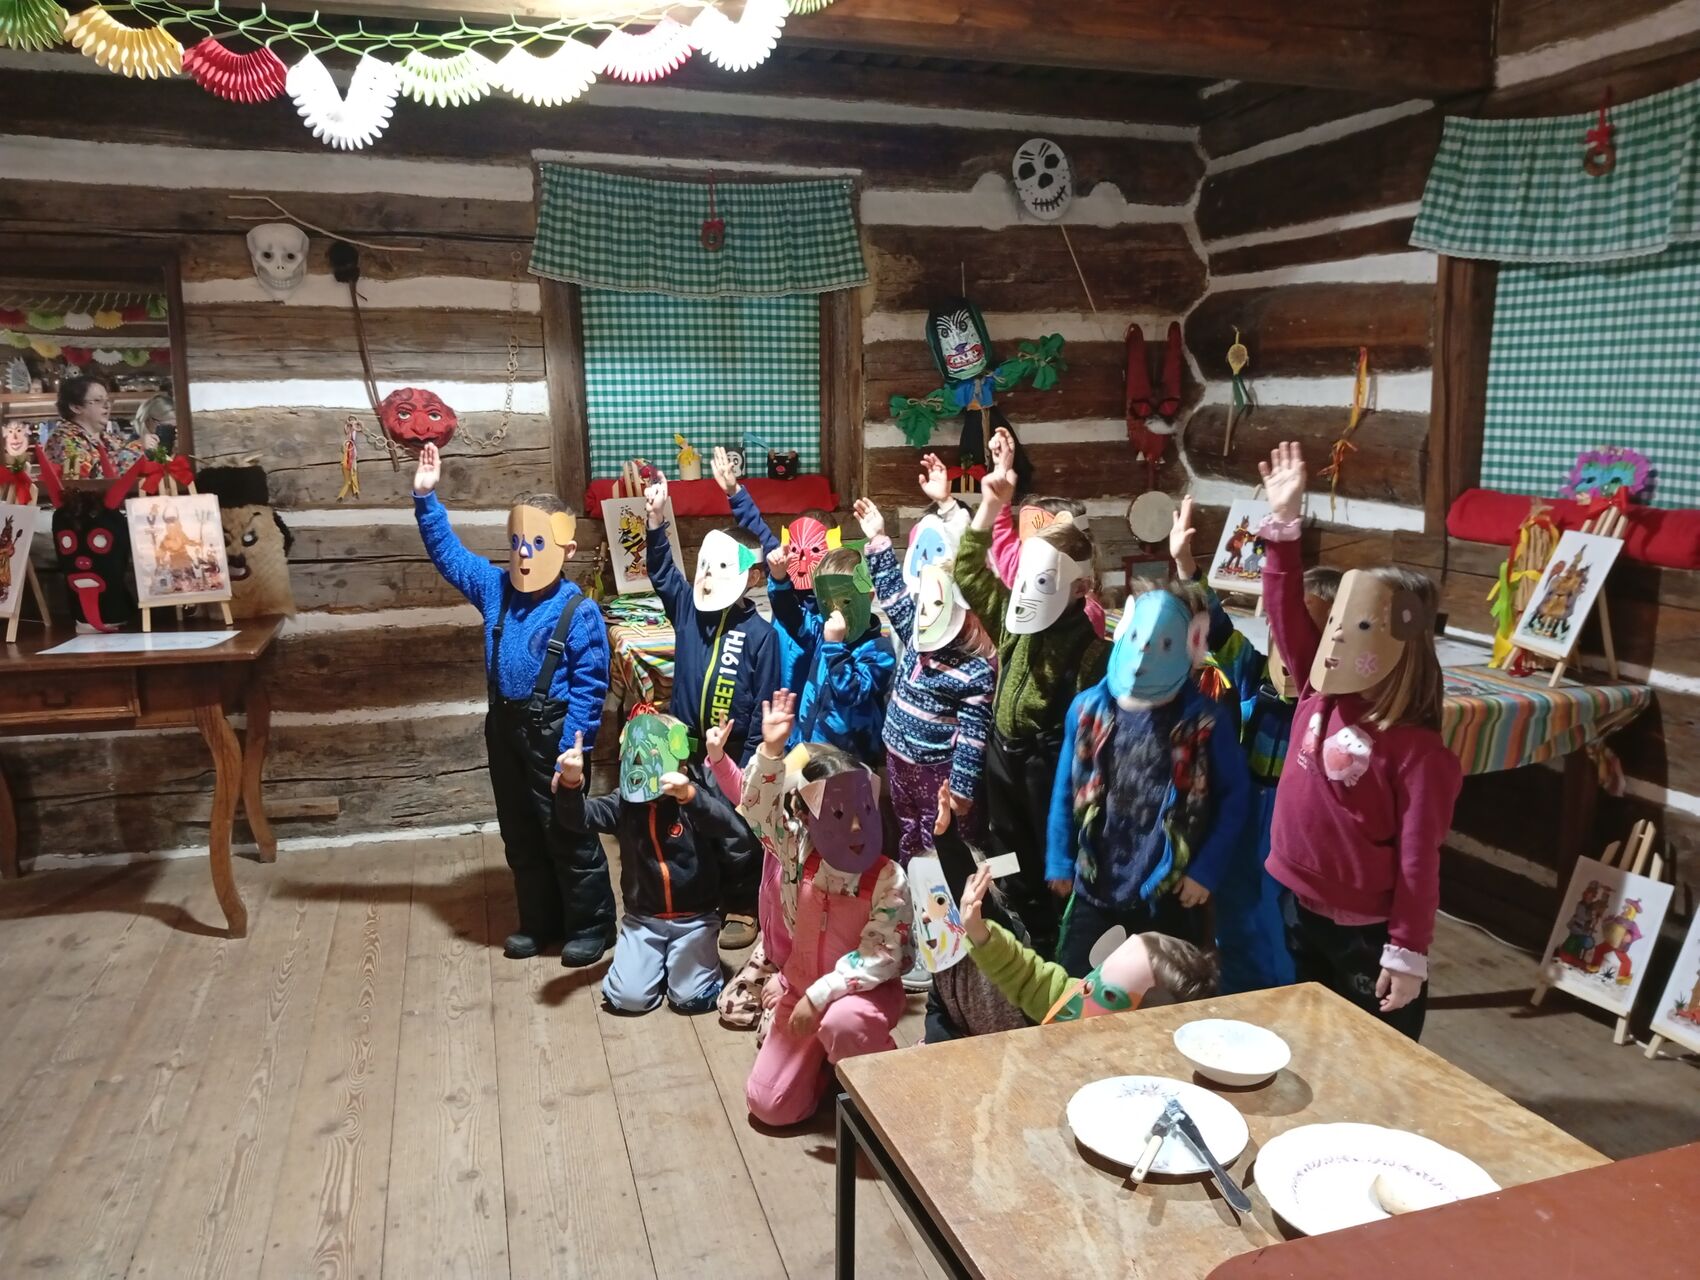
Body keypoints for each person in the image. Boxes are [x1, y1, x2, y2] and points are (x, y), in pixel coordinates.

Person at [1257, 441, 1462, 1040]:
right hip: (1299, 904)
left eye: (1361, 626)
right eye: (1339, 624)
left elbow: (1419, 861)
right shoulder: (1318, 689)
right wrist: (1284, 526)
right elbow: (1285, 613)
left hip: (1366, 935)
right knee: (1311, 1033)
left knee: (1373, 1045)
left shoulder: (1418, 753)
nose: (1338, 638)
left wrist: (1408, 950)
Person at [412, 442, 616, 965]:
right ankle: (539, 921)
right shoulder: (495, 589)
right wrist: (426, 500)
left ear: (566, 549)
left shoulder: (579, 611)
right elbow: (451, 556)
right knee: (520, 829)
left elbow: (591, 686)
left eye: (538, 544)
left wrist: (576, 748)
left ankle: (592, 924)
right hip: (504, 728)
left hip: (555, 734)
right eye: (518, 543)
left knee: (564, 829)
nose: (525, 554)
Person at [955, 431, 1110, 957]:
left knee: (1047, 864)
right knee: (1005, 852)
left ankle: (1047, 947)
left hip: (1050, 770)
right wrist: (991, 505)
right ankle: (1013, 930)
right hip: (1003, 756)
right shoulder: (1011, 620)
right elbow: (968, 570)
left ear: (1081, 587)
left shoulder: (1093, 652)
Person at [1046, 577, 1250, 976]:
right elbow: (1065, 789)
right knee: (1079, 984)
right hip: (1096, 884)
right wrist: (1059, 857)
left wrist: (1204, 871)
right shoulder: (1087, 711)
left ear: (1192, 644)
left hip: (1169, 891)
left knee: (1166, 990)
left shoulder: (1207, 723)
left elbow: (1234, 798)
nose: (1146, 654)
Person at [739, 692, 911, 1128]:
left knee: (844, 1025)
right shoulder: (797, 854)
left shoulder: (887, 877)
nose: (854, 825)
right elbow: (757, 813)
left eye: (863, 810)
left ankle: (886, 1077)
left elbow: (880, 955)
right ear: (805, 815)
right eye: (837, 813)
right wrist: (771, 752)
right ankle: (825, 1072)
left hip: (860, 996)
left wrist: (820, 996)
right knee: (768, 1104)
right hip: (800, 988)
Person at [644, 474, 784, 952]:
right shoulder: (687, 608)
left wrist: (750, 763)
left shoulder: (761, 636)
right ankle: (702, 897)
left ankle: (743, 904)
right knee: (690, 827)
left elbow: (765, 702)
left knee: (735, 833)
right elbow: (664, 573)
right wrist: (656, 521)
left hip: (733, 757)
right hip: (685, 748)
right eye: (706, 566)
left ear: (753, 578)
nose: (707, 576)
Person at [553, 711, 741, 1014]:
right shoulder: (623, 805)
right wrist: (571, 782)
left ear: (681, 763)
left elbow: (729, 826)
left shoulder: (693, 801)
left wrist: (691, 796)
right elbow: (577, 818)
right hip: (643, 919)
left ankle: (677, 966)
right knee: (628, 999)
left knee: (690, 998)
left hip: (695, 919)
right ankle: (652, 964)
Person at [855, 494, 995, 865]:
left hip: (938, 772)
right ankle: (912, 884)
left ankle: (948, 897)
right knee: (908, 830)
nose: (924, 613)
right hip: (898, 759)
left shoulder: (975, 672)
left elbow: (973, 737)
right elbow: (894, 596)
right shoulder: (917, 636)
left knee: (942, 840)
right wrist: (878, 539)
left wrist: (962, 790)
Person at [959, 864, 1218, 1022]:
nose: (1086, 990)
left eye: (1109, 995)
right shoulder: (1077, 1001)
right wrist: (980, 933)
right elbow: (1029, 979)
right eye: (1095, 976)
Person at [787, 545, 894, 760]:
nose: (835, 611)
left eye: (845, 601)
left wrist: (835, 647)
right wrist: (780, 581)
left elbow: (851, 692)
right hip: (808, 743)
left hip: (848, 759)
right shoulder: (822, 629)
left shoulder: (879, 651)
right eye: (826, 603)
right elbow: (792, 619)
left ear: (868, 596)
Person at [39, 376, 145, 478]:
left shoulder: (110, 438)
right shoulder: (62, 439)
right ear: (76, 407)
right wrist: (136, 450)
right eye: (98, 400)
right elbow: (92, 478)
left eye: (108, 400)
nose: (107, 406)